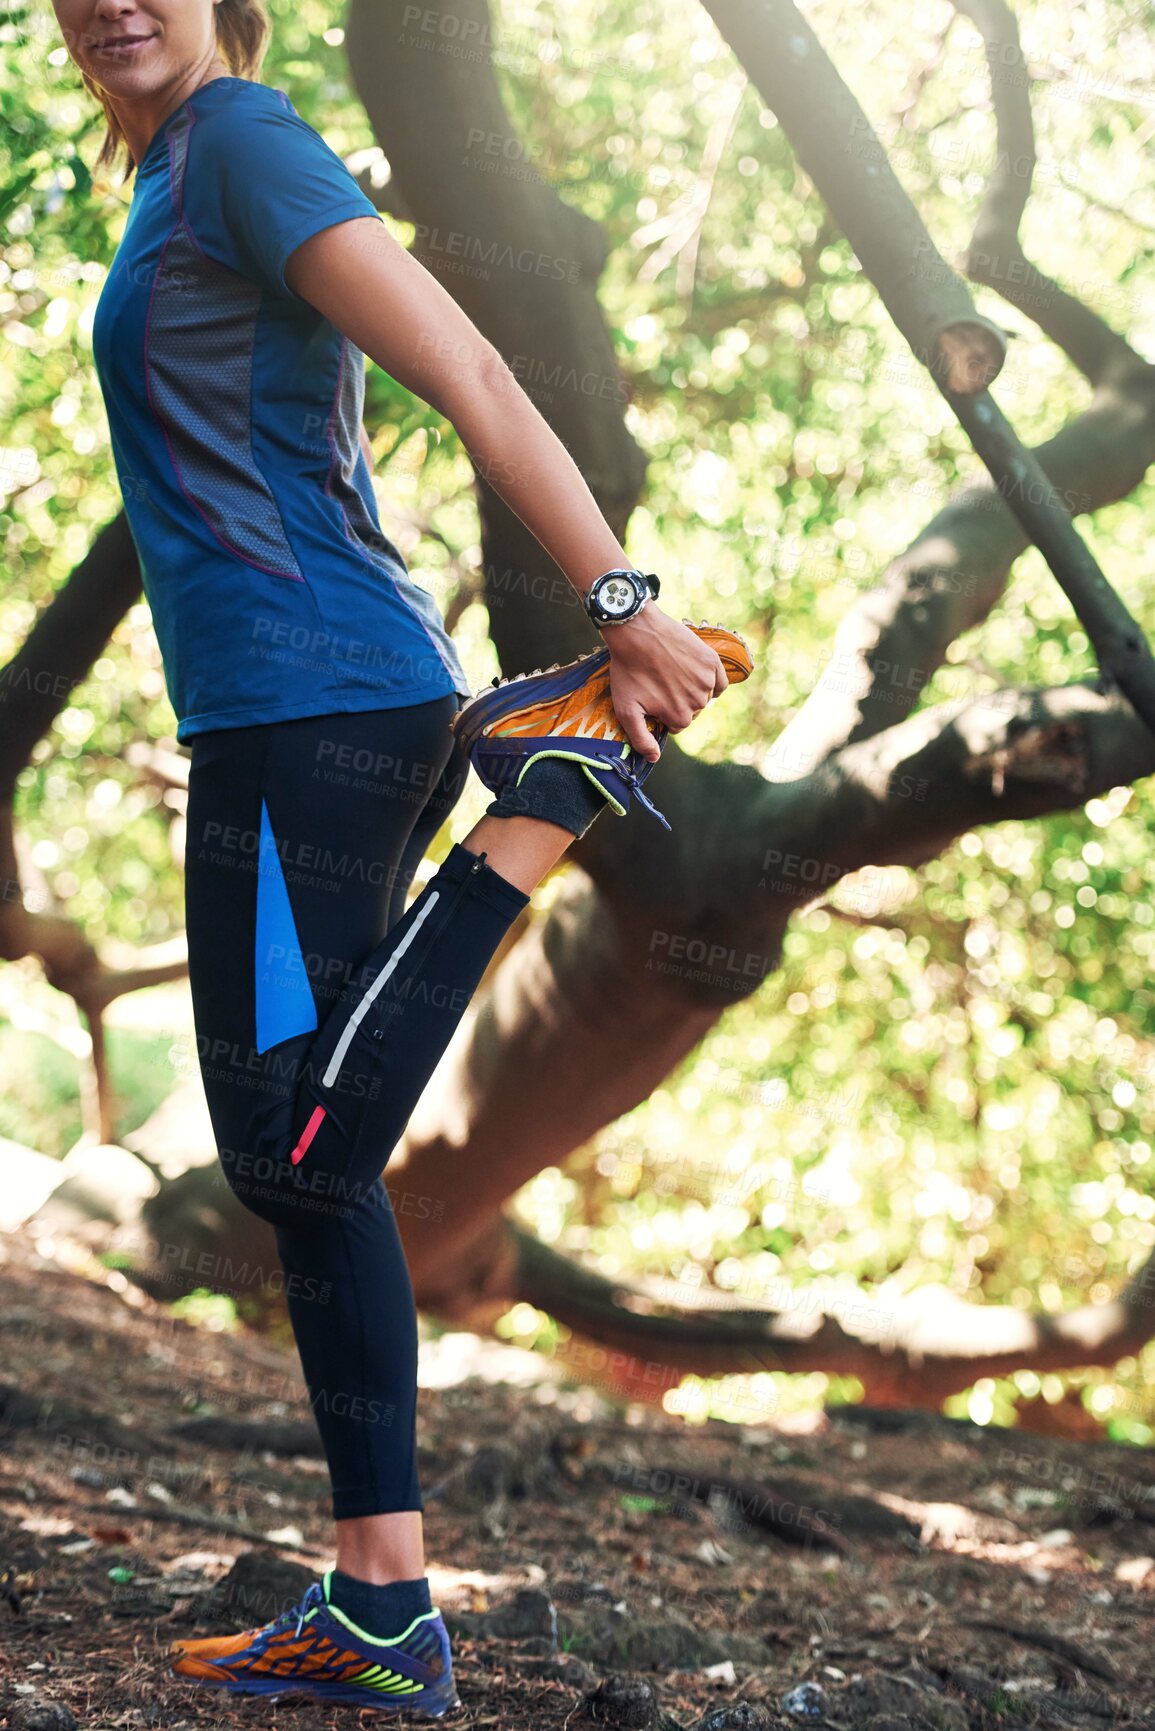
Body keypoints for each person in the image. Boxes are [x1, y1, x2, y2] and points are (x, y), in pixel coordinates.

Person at [51, 0, 752, 1716]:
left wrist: (616, 595)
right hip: (272, 711)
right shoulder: (171, 175)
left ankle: (538, 806)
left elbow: (476, 366)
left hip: (321, 704)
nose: (111, 1)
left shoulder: (248, 147)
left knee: (286, 1145)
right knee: (315, 1169)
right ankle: (382, 1609)